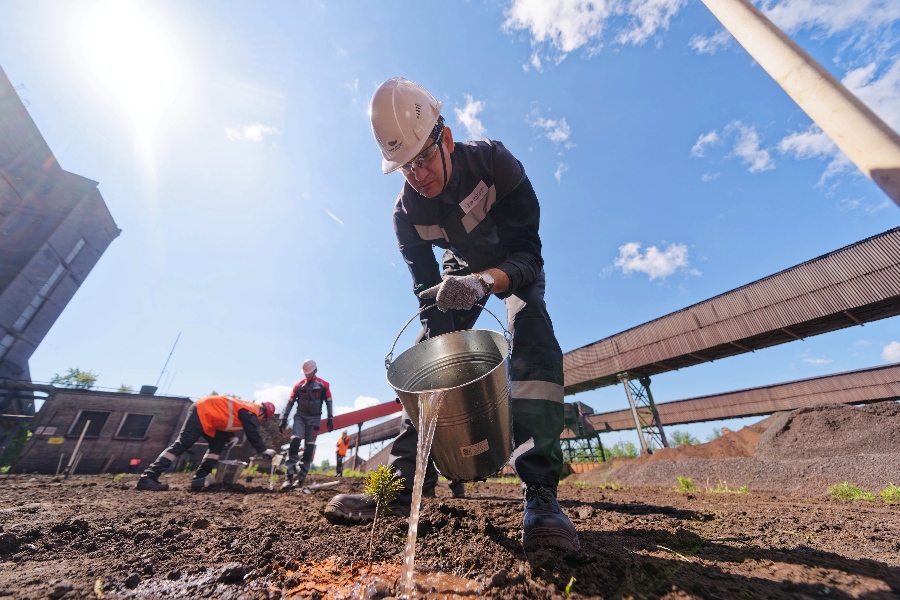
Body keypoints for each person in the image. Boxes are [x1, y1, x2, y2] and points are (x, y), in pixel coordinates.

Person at [325, 78, 579, 552]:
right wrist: (443, 299)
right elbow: (425, 294)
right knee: (429, 355)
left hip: (511, 263)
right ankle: (401, 488)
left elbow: (529, 255)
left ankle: (541, 495)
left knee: (532, 331)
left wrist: (485, 282)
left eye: (423, 158)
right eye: (405, 167)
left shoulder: (495, 164)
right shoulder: (406, 215)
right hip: (458, 271)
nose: (417, 174)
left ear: (445, 137)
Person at [136, 395, 277, 491]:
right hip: (202, 411)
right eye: (262, 420)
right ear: (263, 414)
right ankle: (149, 477)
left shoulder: (246, 408)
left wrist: (231, 437)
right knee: (184, 443)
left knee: (217, 445)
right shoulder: (252, 411)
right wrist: (264, 450)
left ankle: (200, 480)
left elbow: (224, 417)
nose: (259, 421)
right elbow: (252, 432)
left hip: (210, 417)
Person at [279, 359, 333, 490]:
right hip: (300, 416)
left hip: (314, 418)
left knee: (309, 448)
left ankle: (300, 480)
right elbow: (290, 402)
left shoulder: (323, 385)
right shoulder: (298, 386)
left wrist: (330, 418)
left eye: (309, 373)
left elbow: (329, 402)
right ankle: (288, 478)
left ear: (315, 371)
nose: (307, 375)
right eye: (305, 373)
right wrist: (284, 418)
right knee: (294, 442)